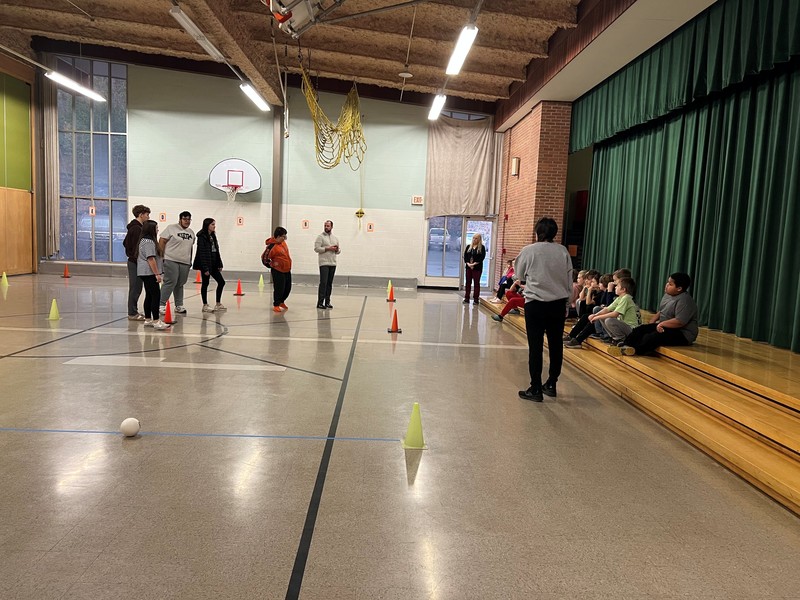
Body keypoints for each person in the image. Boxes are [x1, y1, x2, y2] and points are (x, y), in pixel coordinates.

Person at [514, 217, 573, 402]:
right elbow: (569, 281)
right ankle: (552, 383)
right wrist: (566, 304)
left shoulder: (529, 250)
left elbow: (519, 275)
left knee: (536, 346)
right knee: (556, 345)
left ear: (537, 232)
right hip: (557, 304)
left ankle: (536, 388)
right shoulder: (563, 251)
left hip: (535, 304)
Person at [610, 272, 698, 356]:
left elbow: (680, 321)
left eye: (670, 284)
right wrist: (653, 322)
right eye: (667, 282)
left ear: (679, 288)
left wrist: (661, 324)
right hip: (665, 327)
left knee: (652, 337)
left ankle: (635, 350)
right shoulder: (668, 295)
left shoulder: (685, 301)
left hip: (682, 333)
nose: (667, 285)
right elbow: (662, 311)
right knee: (640, 329)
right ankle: (625, 345)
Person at [564, 277, 640, 348]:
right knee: (602, 316)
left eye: (617, 286)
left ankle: (620, 339)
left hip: (631, 330)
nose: (615, 287)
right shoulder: (620, 298)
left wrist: (597, 317)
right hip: (624, 326)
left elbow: (615, 314)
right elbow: (607, 309)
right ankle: (614, 338)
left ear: (623, 289)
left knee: (609, 320)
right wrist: (595, 315)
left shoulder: (626, 298)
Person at [159, 211, 195, 315]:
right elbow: (162, 241)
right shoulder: (171, 228)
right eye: (185, 219)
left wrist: (189, 261)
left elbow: (190, 247)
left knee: (180, 283)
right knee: (170, 282)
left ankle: (179, 305)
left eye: (189, 219)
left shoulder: (191, 232)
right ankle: (161, 304)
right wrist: (161, 257)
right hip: (171, 259)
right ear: (180, 219)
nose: (187, 221)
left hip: (185, 262)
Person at [136, 220, 170, 330]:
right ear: (151, 229)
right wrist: (157, 274)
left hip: (145, 272)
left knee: (149, 296)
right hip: (149, 273)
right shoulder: (148, 242)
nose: (157, 230)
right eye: (156, 228)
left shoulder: (145, 241)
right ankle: (156, 320)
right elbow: (151, 259)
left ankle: (148, 319)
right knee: (156, 295)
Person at [122, 204, 150, 321]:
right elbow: (134, 246)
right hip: (135, 262)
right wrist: (136, 256)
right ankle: (132, 312)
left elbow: (125, 243)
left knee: (137, 287)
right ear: (141, 215)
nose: (148, 217)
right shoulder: (137, 229)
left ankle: (134, 311)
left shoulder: (135, 228)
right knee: (135, 287)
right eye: (147, 215)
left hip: (136, 261)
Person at [192, 218, 226, 313]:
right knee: (205, 283)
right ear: (207, 225)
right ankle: (205, 305)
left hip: (214, 263)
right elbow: (202, 253)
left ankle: (218, 303)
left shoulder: (213, 236)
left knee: (221, 282)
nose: (214, 226)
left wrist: (219, 263)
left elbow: (217, 251)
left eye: (214, 224)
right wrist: (205, 268)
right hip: (206, 264)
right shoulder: (202, 237)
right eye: (212, 224)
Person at [314, 220, 341, 309]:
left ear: (331, 227)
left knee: (329, 283)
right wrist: (328, 248)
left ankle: (327, 302)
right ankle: (320, 302)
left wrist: (336, 250)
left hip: (332, 263)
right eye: (325, 225)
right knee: (323, 283)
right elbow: (317, 249)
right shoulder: (320, 237)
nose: (326, 227)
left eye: (328, 226)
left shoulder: (335, 238)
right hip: (324, 263)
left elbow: (338, 251)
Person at [265, 226, 292, 313]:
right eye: (283, 236)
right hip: (278, 270)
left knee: (287, 288)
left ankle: (281, 302)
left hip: (287, 269)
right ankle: (276, 304)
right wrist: (271, 265)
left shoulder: (283, 243)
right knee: (279, 288)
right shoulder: (272, 246)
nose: (285, 238)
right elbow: (264, 257)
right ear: (278, 236)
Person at [463, 233, 486, 305]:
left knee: (476, 283)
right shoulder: (468, 247)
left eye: (476, 238)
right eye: (473, 238)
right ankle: (467, 298)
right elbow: (465, 256)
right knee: (468, 283)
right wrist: (468, 264)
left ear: (479, 239)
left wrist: (474, 264)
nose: (474, 240)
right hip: (468, 267)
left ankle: (476, 299)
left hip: (477, 268)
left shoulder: (482, 247)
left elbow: (481, 258)